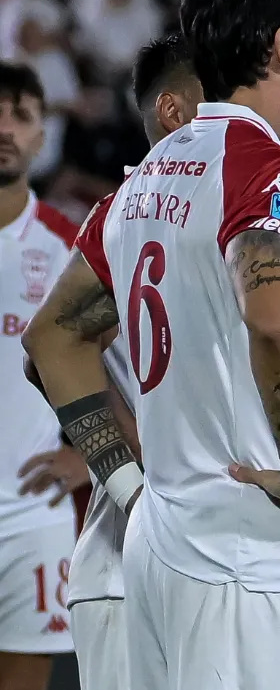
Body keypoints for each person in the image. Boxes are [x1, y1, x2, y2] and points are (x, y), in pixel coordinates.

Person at [27, 0, 280, 690]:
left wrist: (124, 485)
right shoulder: (267, 170)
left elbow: (51, 335)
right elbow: (276, 319)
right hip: (245, 551)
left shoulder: (137, 186)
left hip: (156, 545)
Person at [24, 35, 204, 690]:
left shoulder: (228, 212)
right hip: (131, 562)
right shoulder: (127, 218)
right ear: (174, 110)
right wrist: (126, 470)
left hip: (213, 556)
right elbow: (50, 347)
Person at [0, 63, 80, 690]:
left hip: (31, 516)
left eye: (21, 115)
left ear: (41, 136)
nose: (5, 128)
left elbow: (129, 364)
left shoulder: (67, 245)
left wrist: (87, 458)